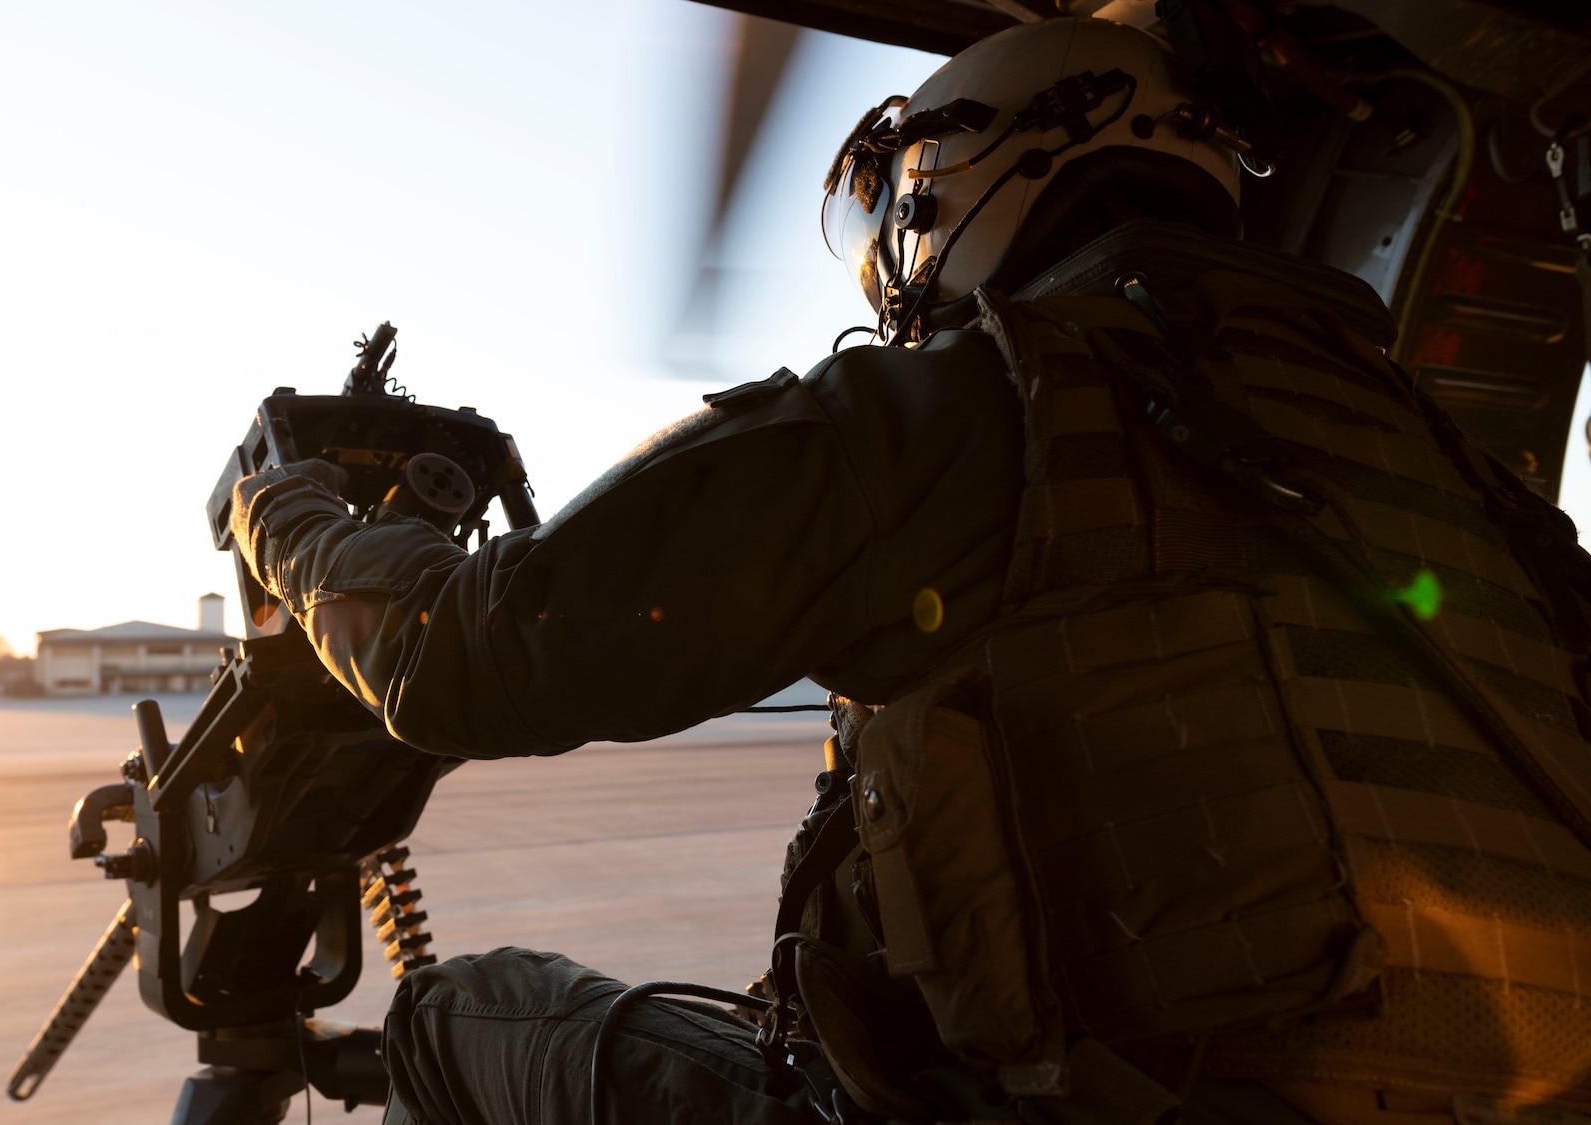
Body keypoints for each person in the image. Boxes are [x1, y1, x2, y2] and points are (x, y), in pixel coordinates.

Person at [230, 16, 1591, 1125]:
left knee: (460, 1017)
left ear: (962, 183)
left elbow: (464, 654)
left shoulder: (957, 405)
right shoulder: (1460, 477)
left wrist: (279, 510)